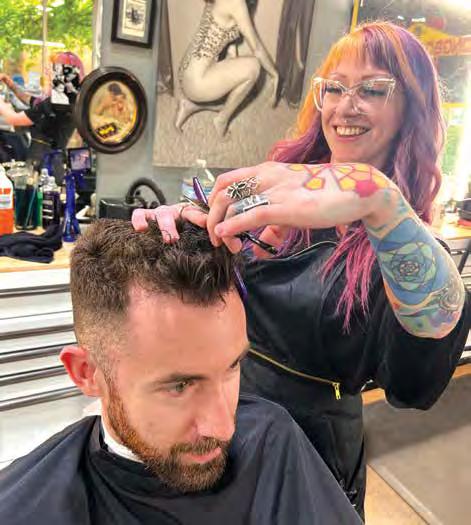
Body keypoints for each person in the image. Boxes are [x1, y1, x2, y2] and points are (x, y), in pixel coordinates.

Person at [132, 21, 471, 519]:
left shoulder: (401, 240)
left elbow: (427, 350)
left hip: (308, 451)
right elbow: (215, 222)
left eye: (372, 90)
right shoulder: (277, 182)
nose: (345, 106)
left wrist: (376, 197)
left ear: (410, 109)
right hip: (223, 418)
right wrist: (181, 226)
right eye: (334, 88)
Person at [0, 219, 362, 525]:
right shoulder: (20, 508)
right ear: (87, 373)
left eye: (233, 366)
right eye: (180, 386)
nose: (224, 428)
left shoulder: (271, 438)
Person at [175, 0, 279, 136]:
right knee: (254, 66)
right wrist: (274, 74)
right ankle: (221, 120)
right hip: (197, 82)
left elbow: (226, 35)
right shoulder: (236, 3)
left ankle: (189, 105)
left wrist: (232, 63)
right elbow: (257, 49)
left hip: (186, 72)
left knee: (232, 94)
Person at [0, 52, 84, 174]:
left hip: (42, 164)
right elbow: (31, 100)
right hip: (55, 161)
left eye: (53, 69)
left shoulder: (55, 103)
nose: (47, 72)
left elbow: (14, 119)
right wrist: (10, 84)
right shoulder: (70, 99)